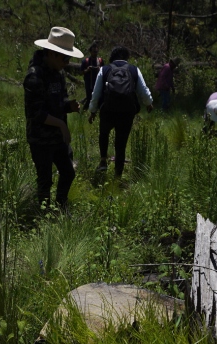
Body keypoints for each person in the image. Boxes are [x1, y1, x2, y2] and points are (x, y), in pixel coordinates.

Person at [24, 26, 83, 210]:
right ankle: (43, 217)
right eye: (65, 58)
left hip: (57, 138)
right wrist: (61, 125)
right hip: (41, 139)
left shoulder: (58, 74)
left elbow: (59, 102)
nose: (67, 62)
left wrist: (69, 106)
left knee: (68, 172)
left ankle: (61, 206)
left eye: (69, 58)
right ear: (51, 53)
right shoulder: (34, 76)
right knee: (45, 180)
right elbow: (36, 113)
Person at [88, 46, 154, 179]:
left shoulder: (105, 69)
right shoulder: (134, 69)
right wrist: (149, 103)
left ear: (112, 57)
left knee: (104, 133)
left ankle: (103, 161)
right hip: (126, 112)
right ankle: (117, 175)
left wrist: (92, 111)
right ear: (126, 57)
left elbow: (96, 93)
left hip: (108, 110)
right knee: (121, 143)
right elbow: (143, 90)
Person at [80, 43, 104, 110]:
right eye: (94, 52)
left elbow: (104, 71)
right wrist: (87, 70)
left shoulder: (100, 61)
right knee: (89, 98)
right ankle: (84, 111)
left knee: (98, 98)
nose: (95, 53)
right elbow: (81, 72)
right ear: (90, 52)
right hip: (88, 83)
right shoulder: (86, 61)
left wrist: (100, 69)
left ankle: (96, 111)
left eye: (96, 52)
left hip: (98, 82)